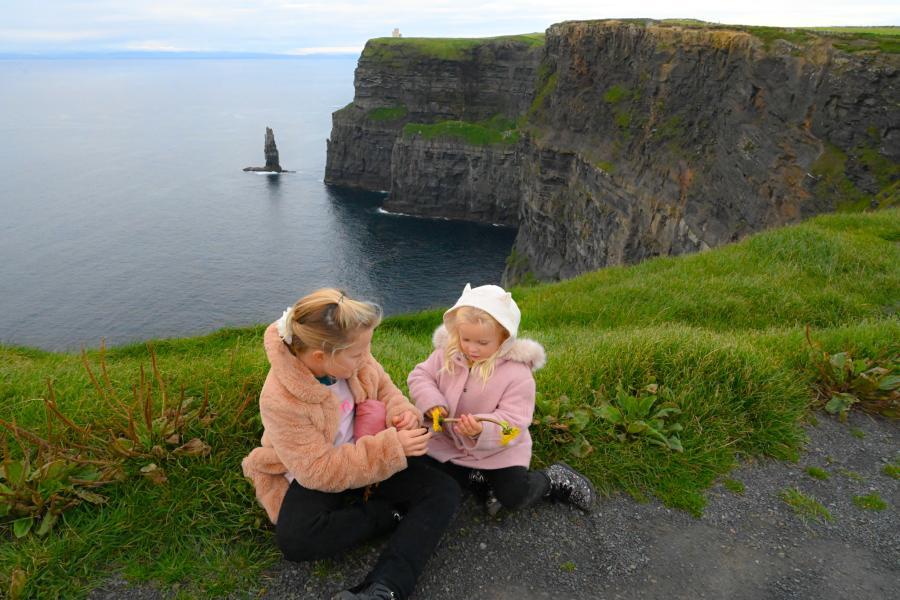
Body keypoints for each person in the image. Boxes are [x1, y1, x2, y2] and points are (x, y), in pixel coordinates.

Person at [242, 288, 460, 600]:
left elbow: (385, 388)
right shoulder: (279, 398)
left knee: (445, 490)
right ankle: (387, 514)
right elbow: (317, 471)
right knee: (296, 540)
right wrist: (392, 449)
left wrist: (401, 414)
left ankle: (384, 588)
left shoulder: (351, 354)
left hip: (368, 445)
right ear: (321, 356)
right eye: (358, 354)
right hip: (326, 467)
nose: (365, 358)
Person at [407, 283, 595, 515]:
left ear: (504, 337)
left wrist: (481, 430)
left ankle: (553, 479)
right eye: (466, 339)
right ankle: (477, 476)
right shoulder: (449, 352)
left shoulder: (517, 373)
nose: (471, 349)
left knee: (514, 496)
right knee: (423, 473)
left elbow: (515, 423)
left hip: (499, 450)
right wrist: (432, 402)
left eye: (482, 343)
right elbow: (420, 375)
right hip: (447, 441)